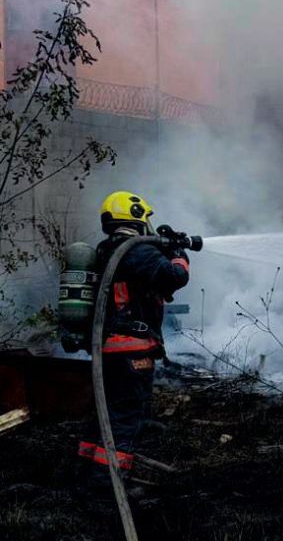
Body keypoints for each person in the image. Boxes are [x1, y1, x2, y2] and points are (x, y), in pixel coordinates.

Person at [78, 191, 190, 484]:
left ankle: (86, 470)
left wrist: (164, 248)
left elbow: (147, 281)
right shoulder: (135, 250)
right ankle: (108, 483)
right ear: (137, 216)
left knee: (105, 412)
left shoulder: (108, 249)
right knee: (126, 416)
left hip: (108, 348)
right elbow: (173, 277)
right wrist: (179, 254)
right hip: (131, 349)